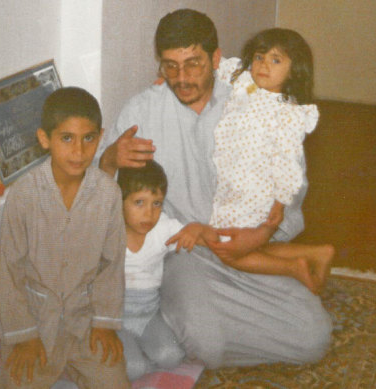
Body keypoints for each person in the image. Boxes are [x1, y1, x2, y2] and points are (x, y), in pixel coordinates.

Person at [97, 8, 332, 368]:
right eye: (170, 66)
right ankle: (176, 311)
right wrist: (111, 160)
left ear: (216, 59)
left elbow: (289, 193)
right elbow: (97, 194)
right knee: (209, 344)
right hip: (185, 252)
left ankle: (170, 313)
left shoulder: (255, 99)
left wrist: (260, 236)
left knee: (313, 339)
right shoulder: (142, 111)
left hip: (246, 247)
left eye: (193, 63)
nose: (182, 78)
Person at [0, 87, 129, 388]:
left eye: (88, 138)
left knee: (116, 381)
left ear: (100, 136)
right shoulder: (24, 195)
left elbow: (112, 264)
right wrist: (25, 336)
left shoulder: (108, 194)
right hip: (35, 324)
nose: (79, 151)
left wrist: (104, 323)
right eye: (67, 138)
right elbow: (10, 271)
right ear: (44, 139)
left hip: (85, 321)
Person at [208, 28, 334, 295]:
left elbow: (288, 162)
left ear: (293, 70)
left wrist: (280, 201)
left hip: (255, 193)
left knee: (227, 248)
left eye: (276, 60)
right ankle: (317, 253)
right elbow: (215, 64)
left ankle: (294, 267)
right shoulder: (243, 82)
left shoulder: (288, 113)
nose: (264, 65)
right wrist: (167, 76)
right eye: (259, 57)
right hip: (232, 186)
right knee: (250, 244)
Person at [116, 159, 215, 379]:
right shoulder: (108, 230)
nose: (149, 213)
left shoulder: (163, 228)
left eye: (157, 203)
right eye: (139, 202)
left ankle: (141, 353)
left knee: (172, 356)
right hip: (116, 320)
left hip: (149, 314)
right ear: (120, 201)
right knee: (133, 369)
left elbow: (209, 239)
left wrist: (196, 228)